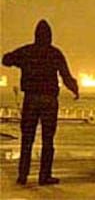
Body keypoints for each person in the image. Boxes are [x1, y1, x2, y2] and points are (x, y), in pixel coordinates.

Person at [2, 19, 79, 186]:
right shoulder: (55, 53)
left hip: (31, 99)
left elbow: (6, 60)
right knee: (48, 140)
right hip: (49, 100)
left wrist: (18, 61)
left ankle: (23, 175)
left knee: (27, 138)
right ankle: (44, 176)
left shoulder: (27, 51)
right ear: (50, 36)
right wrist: (74, 89)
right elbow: (66, 76)